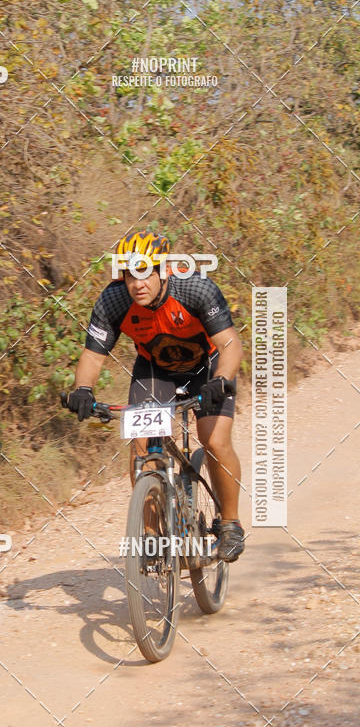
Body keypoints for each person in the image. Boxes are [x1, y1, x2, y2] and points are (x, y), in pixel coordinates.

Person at [65, 230, 245, 562]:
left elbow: (230, 344)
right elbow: (92, 355)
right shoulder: (114, 300)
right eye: (131, 274)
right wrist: (83, 390)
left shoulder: (196, 289)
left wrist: (220, 380)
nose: (138, 283)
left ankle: (231, 523)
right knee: (142, 444)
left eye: (145, 272)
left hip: (207, 368)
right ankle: (150, 535)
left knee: (214, 439)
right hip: (156, 368)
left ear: (163, 271)